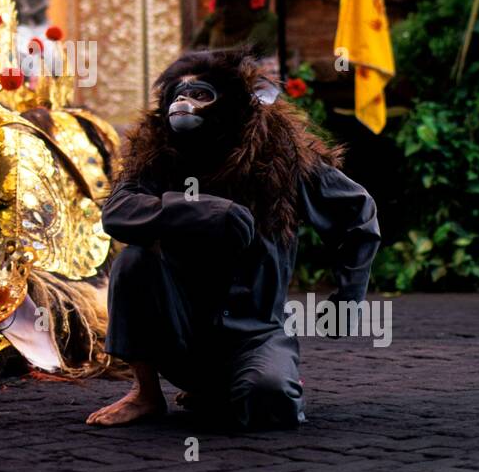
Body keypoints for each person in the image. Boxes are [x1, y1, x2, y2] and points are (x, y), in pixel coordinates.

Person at [86, 49, 379, 428]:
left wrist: (349, 298)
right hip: (179, 331)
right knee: (133, 259)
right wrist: (195, 209)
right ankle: (145, 393)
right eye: (176, 95)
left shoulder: (283, 157)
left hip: (253, 334)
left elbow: (357, 213)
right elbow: (118, 211)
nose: (184, 103)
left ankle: (241, 385)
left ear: (232, 104)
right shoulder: (157, 155)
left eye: (200, 94)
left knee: (270, 401)